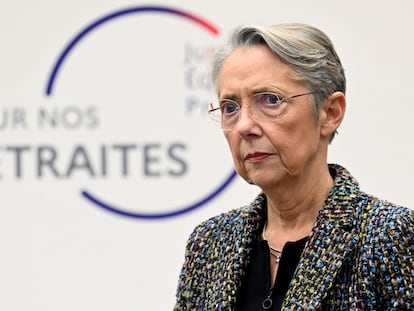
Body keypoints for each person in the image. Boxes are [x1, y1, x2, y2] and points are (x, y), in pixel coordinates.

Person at [174, 23, 414, 310]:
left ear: (330, 113)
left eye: (270, 100)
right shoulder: (210, 243)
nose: (244, 126)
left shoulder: (390, 236)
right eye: (230, 107)